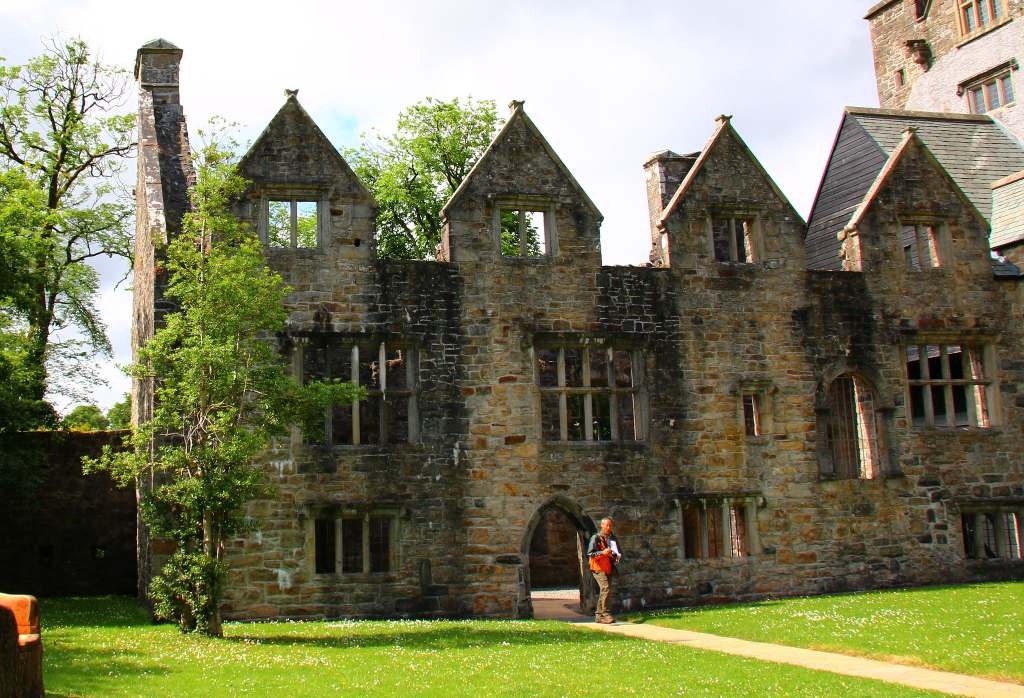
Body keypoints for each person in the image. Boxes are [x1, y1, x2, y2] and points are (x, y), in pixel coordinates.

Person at [586, 517, 621, 624]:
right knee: (605, 588)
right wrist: (602, 553)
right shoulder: (595, 538)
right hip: (598, 567)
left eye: (610, 525)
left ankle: (599, 615)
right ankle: (605, 614)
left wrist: (616, 556)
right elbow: (590, 554)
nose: (609, 527)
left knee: (606, 590)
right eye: (607, 525)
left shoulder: (612, 538)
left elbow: (617, 551)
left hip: (608, 567)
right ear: (602, 525)